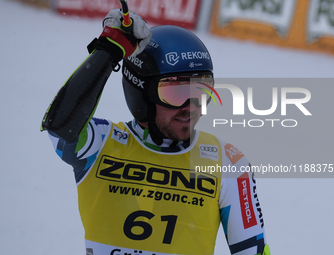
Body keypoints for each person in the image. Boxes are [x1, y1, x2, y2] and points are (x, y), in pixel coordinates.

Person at [41, 9, 270, 255]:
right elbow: (61, 124)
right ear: (142, 94)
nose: (191, 108)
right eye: (176, 93)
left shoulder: (229, 162)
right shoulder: (100, 144)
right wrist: (108, 50)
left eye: (202, 91)